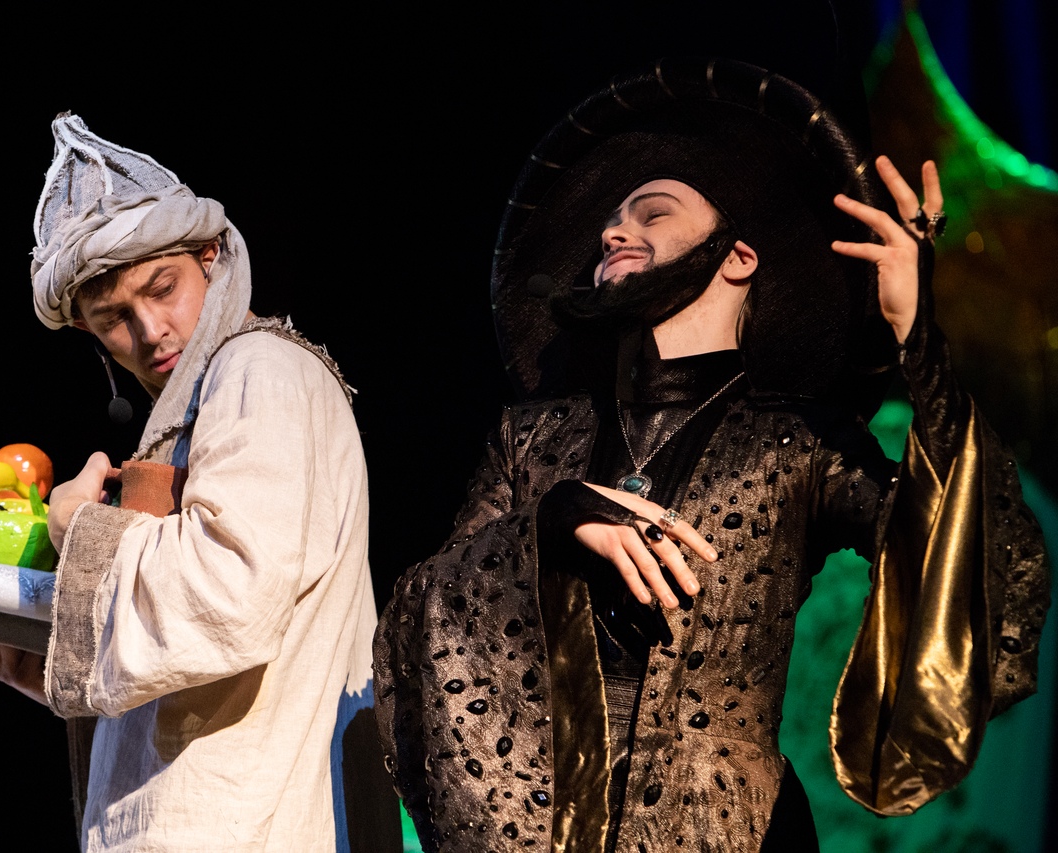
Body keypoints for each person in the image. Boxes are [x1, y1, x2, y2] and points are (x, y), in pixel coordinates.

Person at [372, 58, 1050, 852]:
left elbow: (968, 560)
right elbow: (419, 620)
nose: (613, 231)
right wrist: (551, 522)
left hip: (727, 828)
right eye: (610, 220)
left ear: (737, 257)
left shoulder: (798, 442)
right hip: (545, 823)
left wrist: (919, 339)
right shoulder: (532, 437)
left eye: (652, 212)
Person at [0, 113, 392, 852]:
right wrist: (65, 659)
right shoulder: (201, 398)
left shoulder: (259, 368)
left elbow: (231, 587)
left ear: (211, 255)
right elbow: (207, 664)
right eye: (114, 317)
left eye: (163, 288)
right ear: (88, 333)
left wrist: (77, 527)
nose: (151, 330)